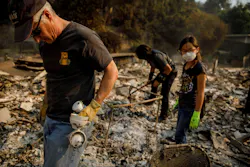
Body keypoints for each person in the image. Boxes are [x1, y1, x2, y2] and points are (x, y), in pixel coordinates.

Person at [8, 0, 118, 166]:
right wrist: (46, 103)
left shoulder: (82, 37)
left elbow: (112, 70)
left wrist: (95, 106)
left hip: (71, 123)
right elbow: (52, 74)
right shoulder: (45, 44)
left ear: (47, 15)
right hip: (51, 119)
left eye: (37, 31)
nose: (37, 40)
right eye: (32, 35)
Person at [175, 35, 206, 144]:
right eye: (183, 50)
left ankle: (182, 156)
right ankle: (180, 152)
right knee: (178, 131)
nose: (187, 53)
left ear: (197, 49)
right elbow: (185, 84)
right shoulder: (186, 65)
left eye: (190, 50)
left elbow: (201, 92)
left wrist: (197, 113)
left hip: (190, 106)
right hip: (183, 103)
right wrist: (179, 99)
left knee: (180, 134)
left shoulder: (199, 68)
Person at [135, 45, 177, 121]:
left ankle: (163, 115)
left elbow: (168, 69)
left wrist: (160, 80)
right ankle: (152, 99)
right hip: (164, 71)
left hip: (171, 72)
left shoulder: (157, 56)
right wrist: (150, 78)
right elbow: (152, 66)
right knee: (154, 83)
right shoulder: (149, 56)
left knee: (164, 93)